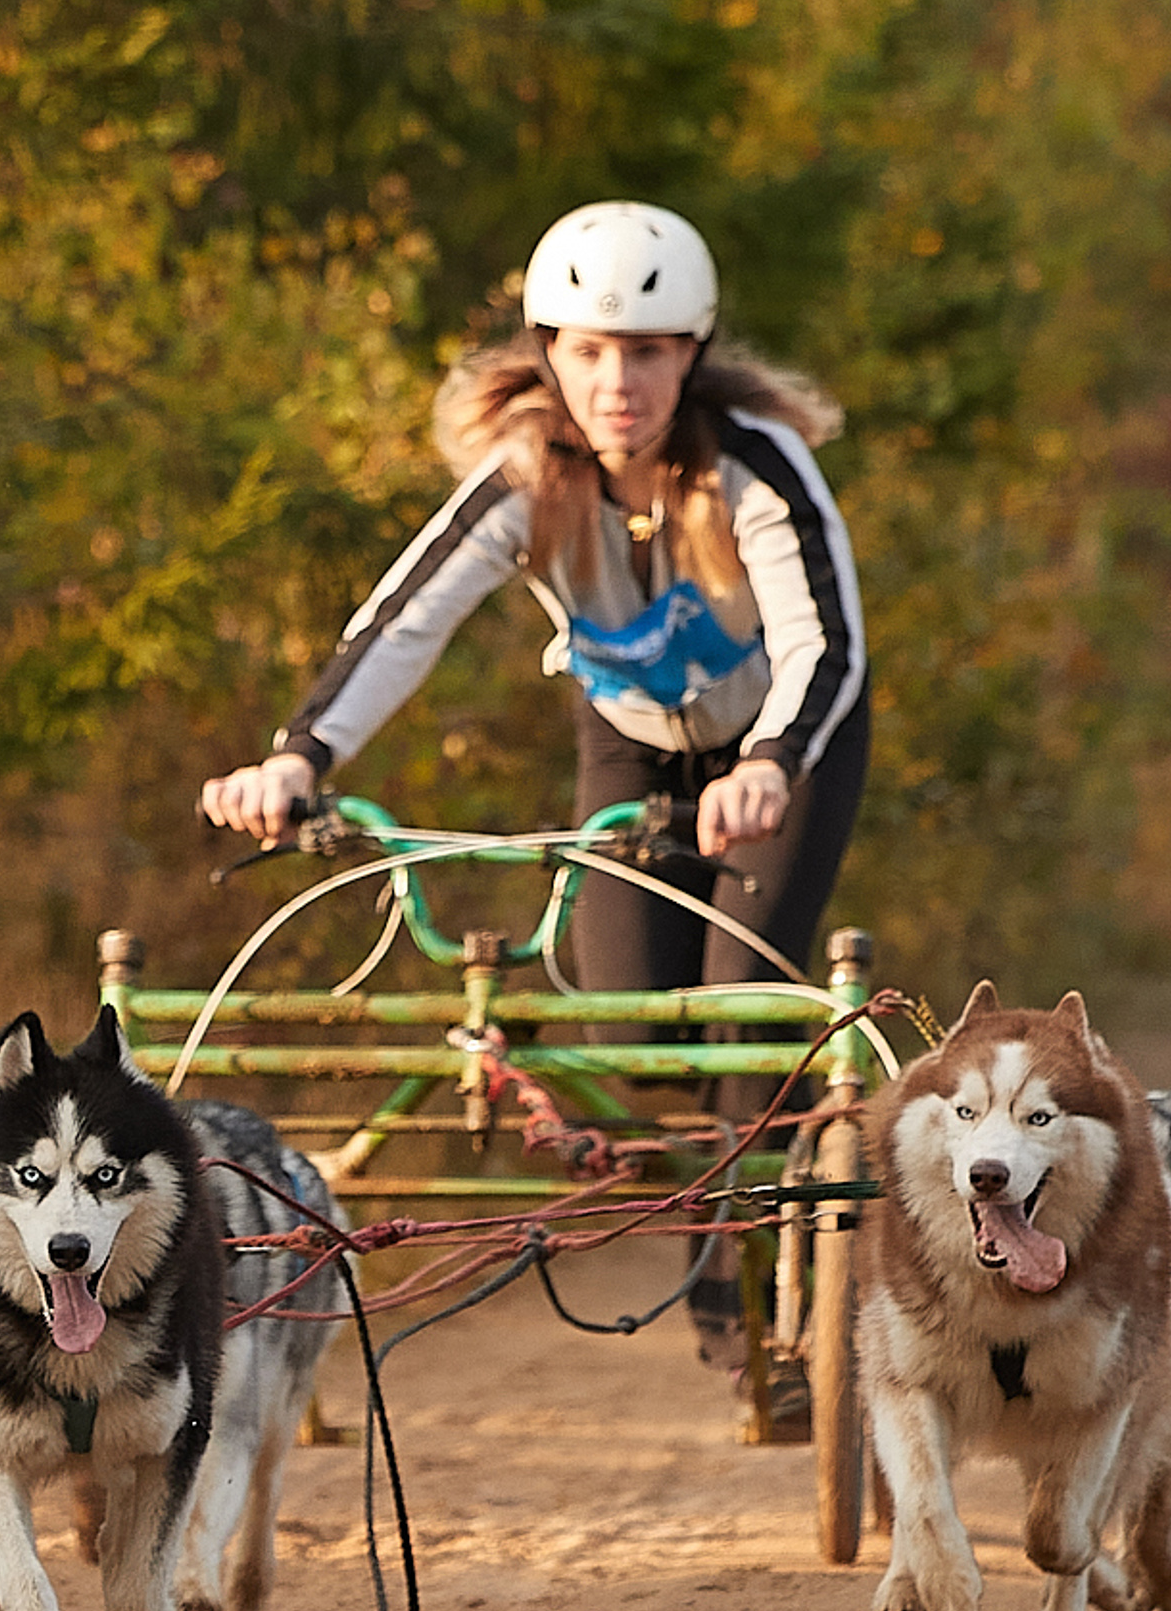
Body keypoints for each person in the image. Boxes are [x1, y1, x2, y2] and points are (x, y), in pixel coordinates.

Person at [200, 199, 869, 1371]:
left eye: (651, 351)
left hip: (783, 746)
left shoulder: (756, 468)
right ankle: (722, 1196)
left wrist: (767, 761)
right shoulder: (525, 477)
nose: (619, 381)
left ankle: (751, 1285)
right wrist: (298, 757)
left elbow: (825, 640)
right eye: (591, 349)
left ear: (693, 355)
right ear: (548, 352)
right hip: (628, 742)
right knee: (624, 1022)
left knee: (734, 1011)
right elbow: (404, 622)